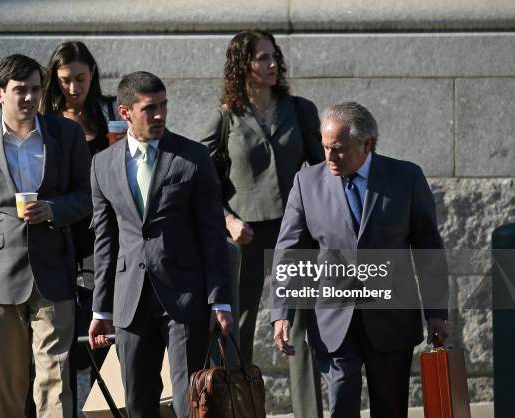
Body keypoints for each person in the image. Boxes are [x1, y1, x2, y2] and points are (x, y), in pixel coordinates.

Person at [272, 102, 449, 418]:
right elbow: (289, 252)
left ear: (367, 144)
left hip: (391, 319)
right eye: (325, 147)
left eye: (338, 149)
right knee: (341, 406)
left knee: (391, 408)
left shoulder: (405, 178)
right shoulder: (307, 183)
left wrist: (436, 312)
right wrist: (281, 312)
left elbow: (428, 250)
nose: (329, 157)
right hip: (333, 322)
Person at [0, 54, 92, 418]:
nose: (29, 97)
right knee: (7, 384)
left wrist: (54, 209)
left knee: (55, 378)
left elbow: (88, 197)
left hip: (54, 269)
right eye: (20, 90)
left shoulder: (66, 134)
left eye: (36, 89)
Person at [88, 71, 234, 418]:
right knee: (137, 401)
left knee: (191, 401)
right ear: (125, 113)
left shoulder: (193, 157)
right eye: (149, 108)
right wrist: (101, 309)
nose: (159, 115)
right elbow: (105, 242)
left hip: (184, 297)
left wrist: (220, 300)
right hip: (130, 301)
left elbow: (212, 234)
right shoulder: (102, 164)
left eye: (163, 106)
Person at [199, 29, 323, 417]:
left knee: (303, 325)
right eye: (262, 58)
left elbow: (322, 170)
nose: (272, 64)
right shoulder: (225, 116)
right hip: (246, 233)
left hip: (296, 229)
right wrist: (228, 220)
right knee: (241, 324)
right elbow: (202, 180)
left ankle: (310, 413)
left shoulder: (300, 109)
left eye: (274, 57)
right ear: (243, 66)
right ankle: (240, 411)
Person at [43, 40, 120, 268]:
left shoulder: (112, 111)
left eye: (80, 79)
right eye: (65, 81)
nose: (74, 89)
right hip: (62, 220)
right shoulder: (46, 118)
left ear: (92, 72)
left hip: (105, 221)